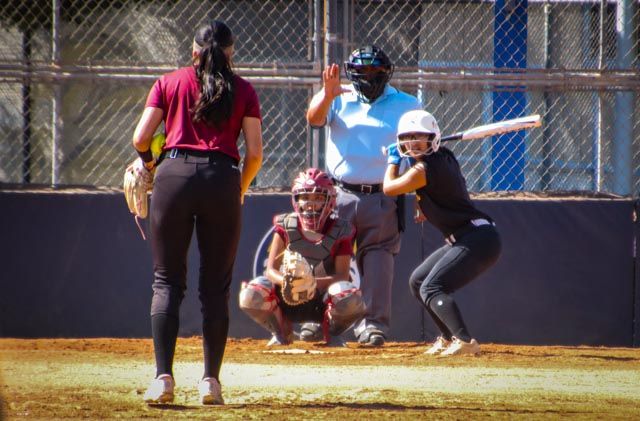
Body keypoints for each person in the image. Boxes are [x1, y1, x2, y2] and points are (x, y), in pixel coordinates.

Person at [131, 20, 263, 404]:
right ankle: (210, 383)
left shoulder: (168, 82)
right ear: (230, 53)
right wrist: (239, 187)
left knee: (167, 281)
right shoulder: (245, 90)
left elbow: (141, 138)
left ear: (193, 51)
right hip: (223, 177)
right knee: (215, 288)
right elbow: (254, 153)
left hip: (173, 175)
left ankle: (163, 380)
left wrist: (150, 166)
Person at [305, 45, 422, 346]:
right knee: (328, 256)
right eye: (362, 72)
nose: (369, 77)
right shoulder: (338, 97)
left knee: (379, 260)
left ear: (386, 73)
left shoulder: (408, 104)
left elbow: (420, 152)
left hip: (383, 194)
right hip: (339, 192)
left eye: (375, 71)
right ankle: (319, 321)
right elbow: (314, 119)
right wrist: (328, 94)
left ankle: (372, 326)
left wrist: (421, 195)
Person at [382, 110, 501, 356]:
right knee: (418, 281)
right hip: (469, 237)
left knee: (432, 287)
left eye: (419, 136)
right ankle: (449, 338)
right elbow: (439, 187)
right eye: (407, 137)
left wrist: (392, 161)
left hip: (477, 238)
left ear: (432, 138)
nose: (412, 142)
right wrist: (422, 202)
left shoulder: (423, 169)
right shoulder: (445, 156)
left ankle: (465, 341)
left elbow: (390, 188)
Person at [239, 168, 366, 347]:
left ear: (330, 201)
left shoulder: (340, 229)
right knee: (252, 293)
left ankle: (332, 332)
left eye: (318, 198)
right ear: (296, 199)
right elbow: (270, 271)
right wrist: (290, 282)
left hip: (322, 300)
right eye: (305, 197)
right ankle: (281, 331)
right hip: (289, 298)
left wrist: (311, 283)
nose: (310, 203)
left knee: (348, 295)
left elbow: (342, 276)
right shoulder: (285, 225)